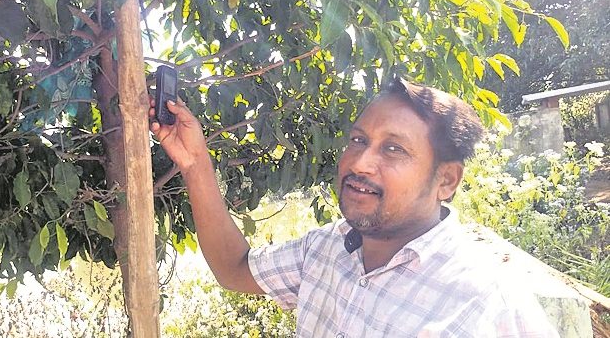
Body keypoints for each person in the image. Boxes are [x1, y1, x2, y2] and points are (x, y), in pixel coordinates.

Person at [149, 78, 559, 337]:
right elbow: (235, 268)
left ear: (446, 180)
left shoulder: (489, 305)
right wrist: (195, 162)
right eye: (359, 140)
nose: (359, 163)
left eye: (394, 149)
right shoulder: (326, 250)